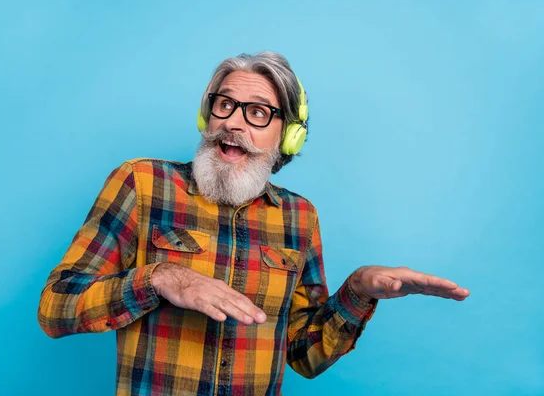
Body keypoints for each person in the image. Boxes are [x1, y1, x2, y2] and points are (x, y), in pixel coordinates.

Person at [37, 51, 470, 396]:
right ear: (208, 115)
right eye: (225, 104)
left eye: (258, 112)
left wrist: (356, 291)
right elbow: (55, 308)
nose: (233, 122)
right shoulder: (143, 183)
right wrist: (158, 278)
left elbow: (305, 356)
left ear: (287, 134)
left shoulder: (300, 218)